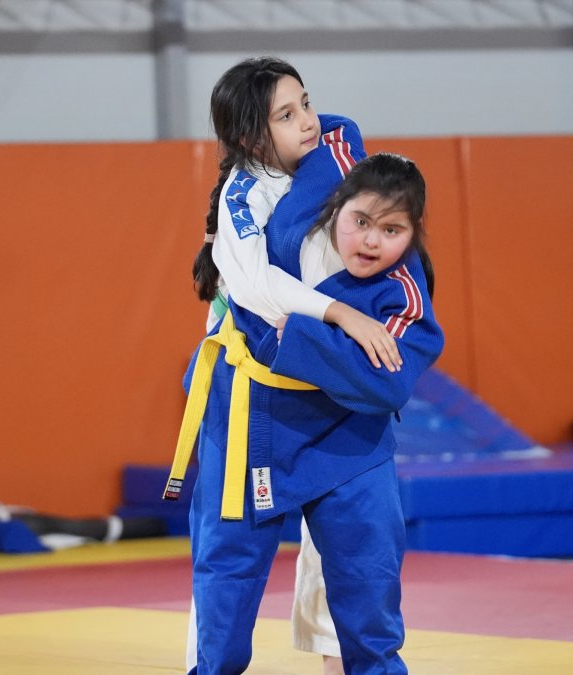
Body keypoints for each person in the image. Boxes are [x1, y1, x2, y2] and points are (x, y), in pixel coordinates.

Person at [168, 141, 442, 673]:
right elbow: (248, 304)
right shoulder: (284, 229)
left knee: (367, 580)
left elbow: (387, 383)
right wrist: (337, 322)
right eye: (361, 220)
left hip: (346, 442)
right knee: (225, 576)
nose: (370, 241)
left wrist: (287, 337)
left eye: (392, 231)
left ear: (412, 236)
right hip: (253, 423)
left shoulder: (403, 291)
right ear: (334, 205)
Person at [181, 56, 394, 674]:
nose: (308, 120)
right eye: (286, 113)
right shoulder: (243, 197)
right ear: (251, 138)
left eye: (306, 103)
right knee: (228, 559)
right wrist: (344, 316)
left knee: (351, 551)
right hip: (253, 397)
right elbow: (259, 289)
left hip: (328, 394)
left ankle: (346, 666)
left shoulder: (334, 169)